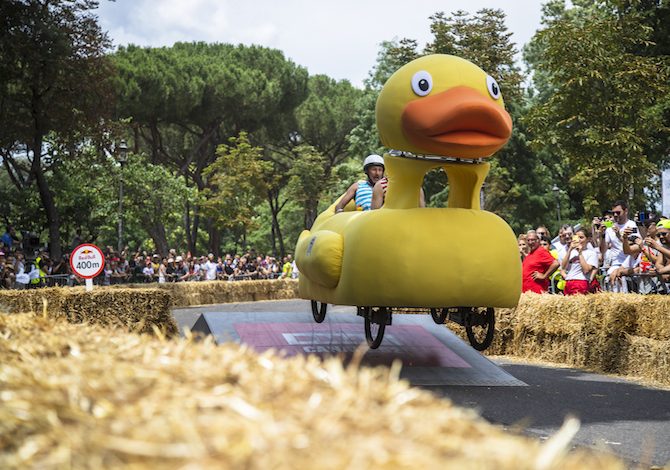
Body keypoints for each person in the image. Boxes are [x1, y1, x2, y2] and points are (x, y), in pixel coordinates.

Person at [598, 200, 639, 292]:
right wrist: (602, 235)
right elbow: (602, 250)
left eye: (618, 212)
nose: (615, 215)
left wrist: (619, 236)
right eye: (613, 213)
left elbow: (635, 247)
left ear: (626, 211)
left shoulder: (632, 225)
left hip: (630, 264)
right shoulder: (610, 228)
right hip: (615, 264)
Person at [561, 228, 599, 295]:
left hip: (581, 281)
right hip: (569, 281)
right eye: (577, 237)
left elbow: (586, 270)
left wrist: (580, 253)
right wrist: (570, 249)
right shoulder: (571, 252)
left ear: (587, 239)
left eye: (581, 237)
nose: (578, 240)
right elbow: (563, 267)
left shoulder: (591, 253)